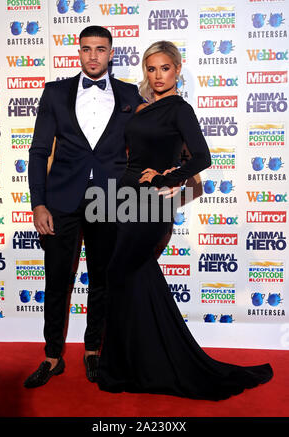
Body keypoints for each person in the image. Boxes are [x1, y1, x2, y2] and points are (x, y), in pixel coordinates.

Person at [96, 41, 273, 400]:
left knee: (120, 274)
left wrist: (166, 179)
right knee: (137, 280)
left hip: (151, 205)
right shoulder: (143, 109)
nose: (157, 75)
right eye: (151, 69)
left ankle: (131, 368)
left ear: (177, 69)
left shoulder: (180, 109)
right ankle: (136, 367)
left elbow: (202, 158)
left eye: (164, 68)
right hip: (126, 199)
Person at [24, 26, 143, 388]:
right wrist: (38, 203)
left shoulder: (129, 94)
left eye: (101, 49)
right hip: (61, 200)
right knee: (58, 280)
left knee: (102, 281)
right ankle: (52, 355)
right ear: (78, 51)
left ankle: (94, 351)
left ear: (111, 53)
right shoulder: (55, 92)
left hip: (109, 198)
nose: (93, 56)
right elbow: (39, 151)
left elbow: (144, 146)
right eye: (87, 49)